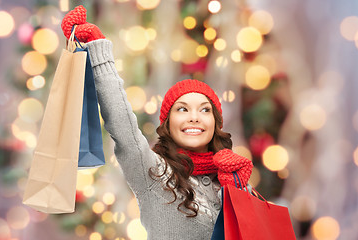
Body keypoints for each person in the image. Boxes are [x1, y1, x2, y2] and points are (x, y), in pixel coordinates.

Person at [61, 6, 253, 239]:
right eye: (182, 109)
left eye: (205, 110)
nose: (194, 117)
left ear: (215, 124)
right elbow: (122, 125)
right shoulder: (153, 173)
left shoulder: (229, 178)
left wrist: (239, 191)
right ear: (168, 125)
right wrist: (98, 49)